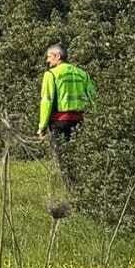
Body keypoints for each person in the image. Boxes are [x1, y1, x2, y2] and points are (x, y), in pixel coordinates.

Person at [38, 42, 95, 187]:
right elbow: (93, 98)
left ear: (57, 56)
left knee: (62, 158)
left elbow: (47, 101)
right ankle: (84, 187)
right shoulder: (82, 73)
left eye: (49, 57)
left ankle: (71, 189)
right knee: (77, 156)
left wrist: (42, 126)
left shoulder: (51, 74)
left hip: (59, 121)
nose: (47, 61)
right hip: (79, 120)